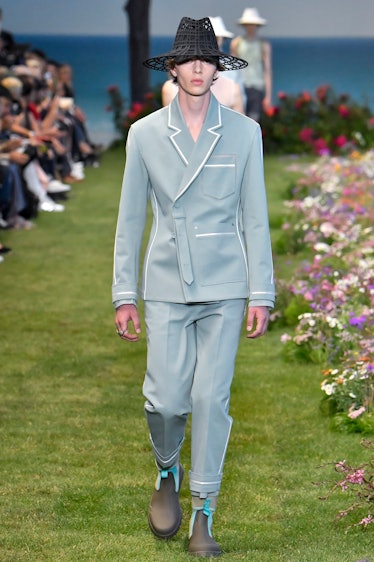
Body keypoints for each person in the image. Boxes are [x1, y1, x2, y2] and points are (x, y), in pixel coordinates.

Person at [112, 16, 275, 558]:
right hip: (164, 280)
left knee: (210, 398)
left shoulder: (245, 133)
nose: (198, 67)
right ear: (175, 68)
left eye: (207, 59)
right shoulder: (145, 134)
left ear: (217, 67)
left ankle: (203, 510)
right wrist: (123, 293)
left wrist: (262, 292)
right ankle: (166, 467)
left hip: (226, 281)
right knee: (163, 400)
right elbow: (130, 219)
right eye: (188, 59)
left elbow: (256, 219)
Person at [162, 16, 245, 114]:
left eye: (216, 38)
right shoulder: (170, 89)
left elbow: (241, 120)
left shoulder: (233, 88)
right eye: (189, 60)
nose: (198, 68)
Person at [230, 7, 272, 121]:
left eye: (253, 24)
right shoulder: (236, 43)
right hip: (241, 85)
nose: (250, 27)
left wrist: (268, 96)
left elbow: (267, 70)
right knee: (240, 120)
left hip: (256, 87)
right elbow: (232, 69)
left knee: (253, 120)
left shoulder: (263, 44)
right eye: (248, 24)